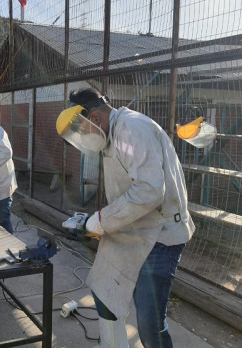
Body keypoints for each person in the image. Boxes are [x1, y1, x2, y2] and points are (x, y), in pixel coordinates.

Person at [56, 87, 195, 348]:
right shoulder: (113, 134)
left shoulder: (131, 128)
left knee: (149, 324)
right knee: (104, 287)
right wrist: (100, 221)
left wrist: (100, 220)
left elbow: (149, 190)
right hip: (137, 228)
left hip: (161, 236)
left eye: (83, 129)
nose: (85, 136)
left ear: (95, 118)